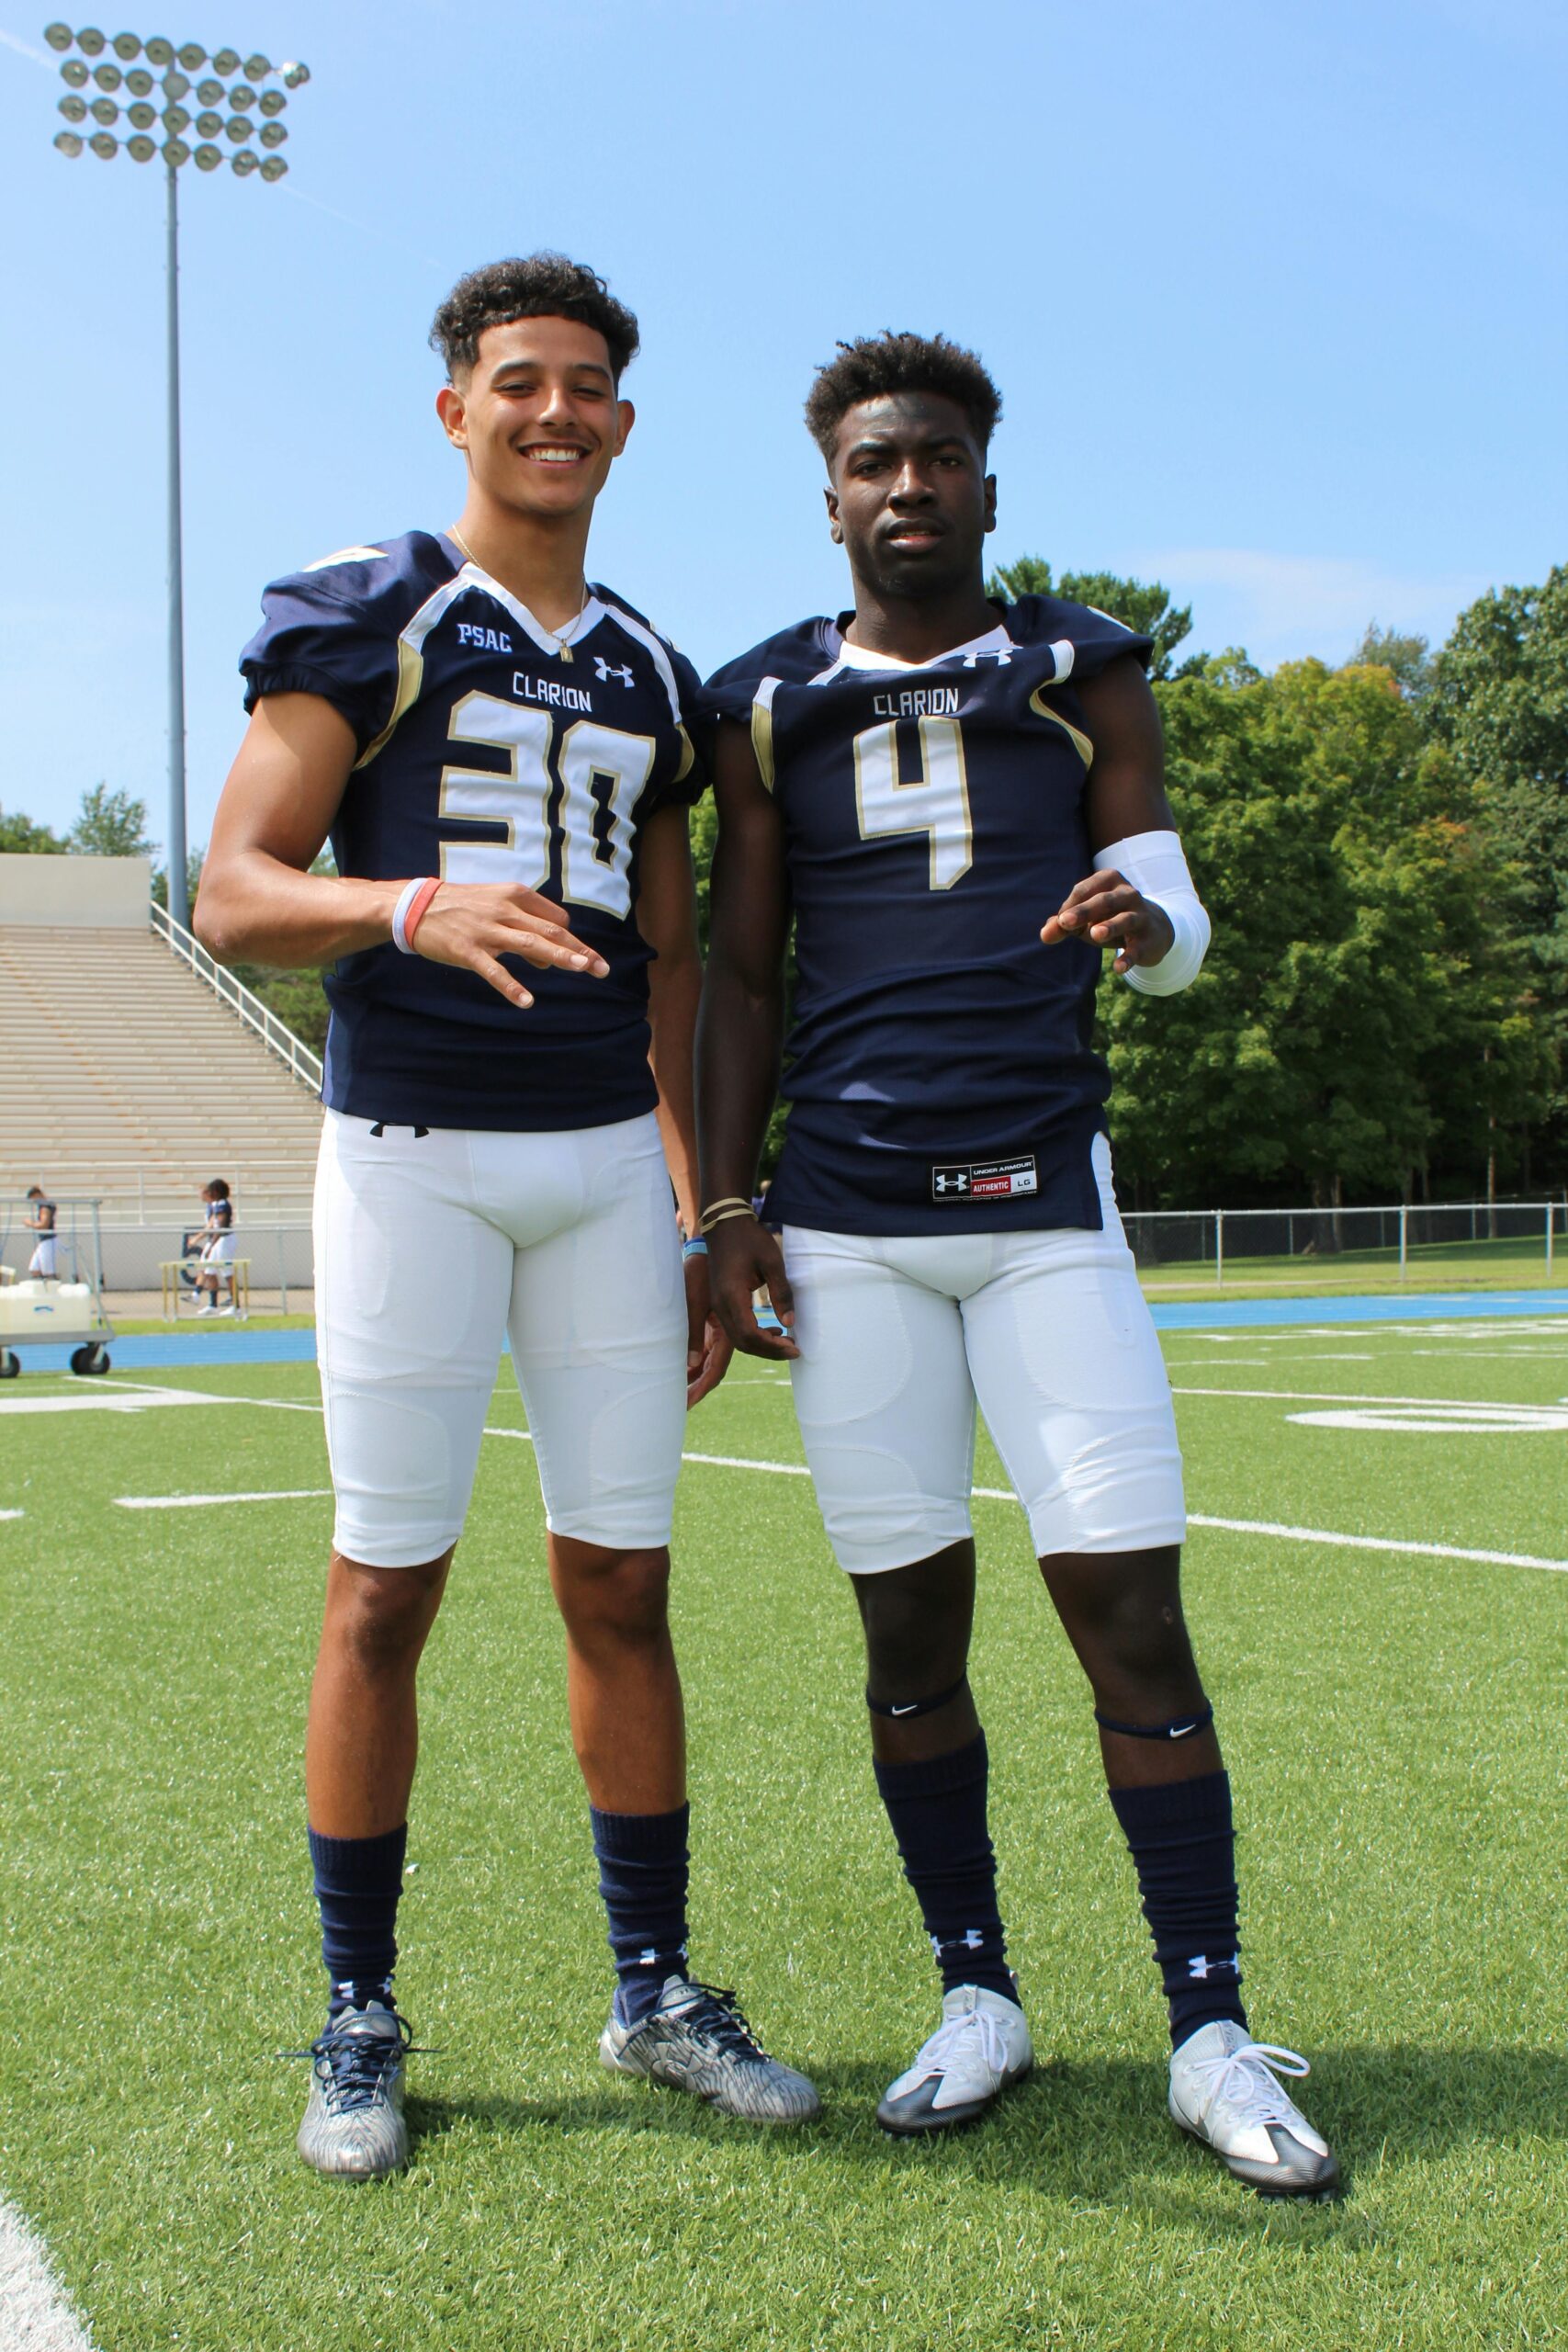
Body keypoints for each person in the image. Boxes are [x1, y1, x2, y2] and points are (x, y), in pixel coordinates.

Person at [196, 253, 818, 2180]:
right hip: (414, 1155)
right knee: (385, 1584)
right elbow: (233, 887)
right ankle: (358, 2007)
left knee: (621, 1584)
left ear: (623, 422)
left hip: (602, 1174)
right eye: (519, 379)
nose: (556, 411)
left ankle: (654, 1987)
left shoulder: (647, 668)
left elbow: (671, 970)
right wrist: (405, 903)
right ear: (456, 406)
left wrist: (702, 1202)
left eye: (587, 386)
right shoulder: (378, 605)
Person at [696, 331, 1337, 2197]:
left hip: (1046, 1206)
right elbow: (738, 970)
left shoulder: (1079, 663)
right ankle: (974, 1990)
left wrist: (1151, 925)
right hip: (849, 1221)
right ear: (828, 497)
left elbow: (1169, 905)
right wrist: (721, 1207)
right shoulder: (763, 703)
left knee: (1130, 1615)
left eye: (938, 457)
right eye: (872, 461)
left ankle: (1208, 2023)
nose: (907, 485)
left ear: (987, 481)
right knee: (908, 1637)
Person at [193, 1179, 237, 1316]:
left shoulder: (223, 1204)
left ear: (217, 1192)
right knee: (209, 1269)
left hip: (224, 1240)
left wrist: (212, 1245)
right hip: (218, 1240)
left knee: (227, 1272)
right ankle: (213, 1305)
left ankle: (236, 1306)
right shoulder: (216, 1204)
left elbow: (221, 1228)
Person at [24, 1186, 56, 1281]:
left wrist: (30, 1223)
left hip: (48, 1240)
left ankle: (51, 1285)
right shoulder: (46, 1206)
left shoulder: (45, 1207)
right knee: (34, 1268)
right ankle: (41, 1284)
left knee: (47, 1271)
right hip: (44, 1241)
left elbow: (44, 1225)